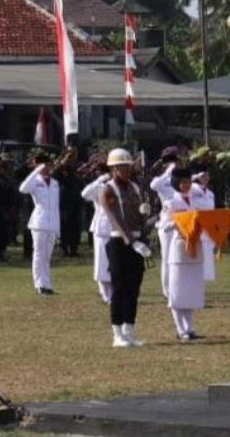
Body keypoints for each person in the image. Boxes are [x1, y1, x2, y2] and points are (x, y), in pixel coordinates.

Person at [99, 148, 150, 347]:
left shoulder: (135, 188)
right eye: (121, 167)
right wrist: (132, 241)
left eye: (128, 166)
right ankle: (117, 332)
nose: (126, 170)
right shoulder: (108, 190)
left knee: (134, 288)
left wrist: (146, 213)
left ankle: (129, 328)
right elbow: (116, 219)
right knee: (119, 288)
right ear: (113, 168)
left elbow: (138, 219)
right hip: (119, 242)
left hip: (136, 240)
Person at [161, 166, 214, 341]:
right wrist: (178, 222)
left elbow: (209, 210)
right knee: (178, 291)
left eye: (189, 182)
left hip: (195, 247)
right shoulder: (172, 202)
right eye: (183, 182)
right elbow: (165, 226)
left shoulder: (195, 200)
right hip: (178, 249)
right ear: (176, 184)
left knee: (191, 290)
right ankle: (180, 329)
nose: (187, 185)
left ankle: (190, 328)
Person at [18, 151, 62, 294]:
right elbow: (23, 189)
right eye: (43, 165)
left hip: (52, 224)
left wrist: (58, 228)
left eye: (48, 165)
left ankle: (47, 284)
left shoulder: (55, 183)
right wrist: (35, 171)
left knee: (47, 256)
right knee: (39, 254)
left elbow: (56, 206)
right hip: (39, 222)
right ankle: (40, 285)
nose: (47, 168)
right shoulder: (35, 181)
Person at [148, 147, 183, 299]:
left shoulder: (184, 178)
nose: (173, 163)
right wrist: (168, 171)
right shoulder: (163, 180)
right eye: (169, 160)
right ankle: (168, 291)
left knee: (181, 257)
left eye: (174, 160)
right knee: (168, 256)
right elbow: (153, 186)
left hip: (184, 221)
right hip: (167, 222)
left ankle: (179, 287)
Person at [81, 164, 113, 303]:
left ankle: (114, 292)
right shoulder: (98, 187)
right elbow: (85, 194)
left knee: (114, 262)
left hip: (117, 229)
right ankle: (105, 293)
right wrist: (100, 180)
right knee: (102, 262)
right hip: (101, 228)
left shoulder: (120, 186)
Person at [54, 147, 84, 258]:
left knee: (75, 226)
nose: (72, 157)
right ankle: (64, 248)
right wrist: (64, 162)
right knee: (65, 225)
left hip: (76, 201)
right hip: (64, 202)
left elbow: (80, 180)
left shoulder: (76, 167)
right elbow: (54, 174)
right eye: (70, 154)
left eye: (74, 154)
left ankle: (74, 248)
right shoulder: (61, 168)